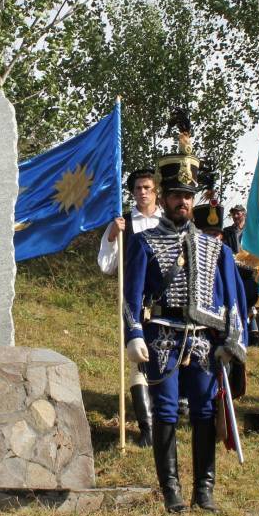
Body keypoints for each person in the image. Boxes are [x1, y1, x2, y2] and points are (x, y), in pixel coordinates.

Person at [124, 126, 247, 512]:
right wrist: (133, 333)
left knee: (205, 411)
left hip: (204, 341)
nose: (183, 202)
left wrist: (232, 340)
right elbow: (132, 294)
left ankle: (204, 490)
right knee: (165, 412)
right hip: (162, 337)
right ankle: (172, 491)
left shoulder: (216, 247)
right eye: (177, 195)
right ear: (164, 197)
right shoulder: (144, 242)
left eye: (188, 197)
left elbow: (233, 299)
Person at [98, 168, 162, 448]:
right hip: (135, 303)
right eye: (138, 188)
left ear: (155, 191)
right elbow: (107, 266)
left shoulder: (169, 221)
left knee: (164, 360)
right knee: (137, 361)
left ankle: (165, 421)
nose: (142, 192)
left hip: (167, 303)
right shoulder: (123, 221)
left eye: (147, 187)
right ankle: (147, 428)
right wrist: (113, 236)